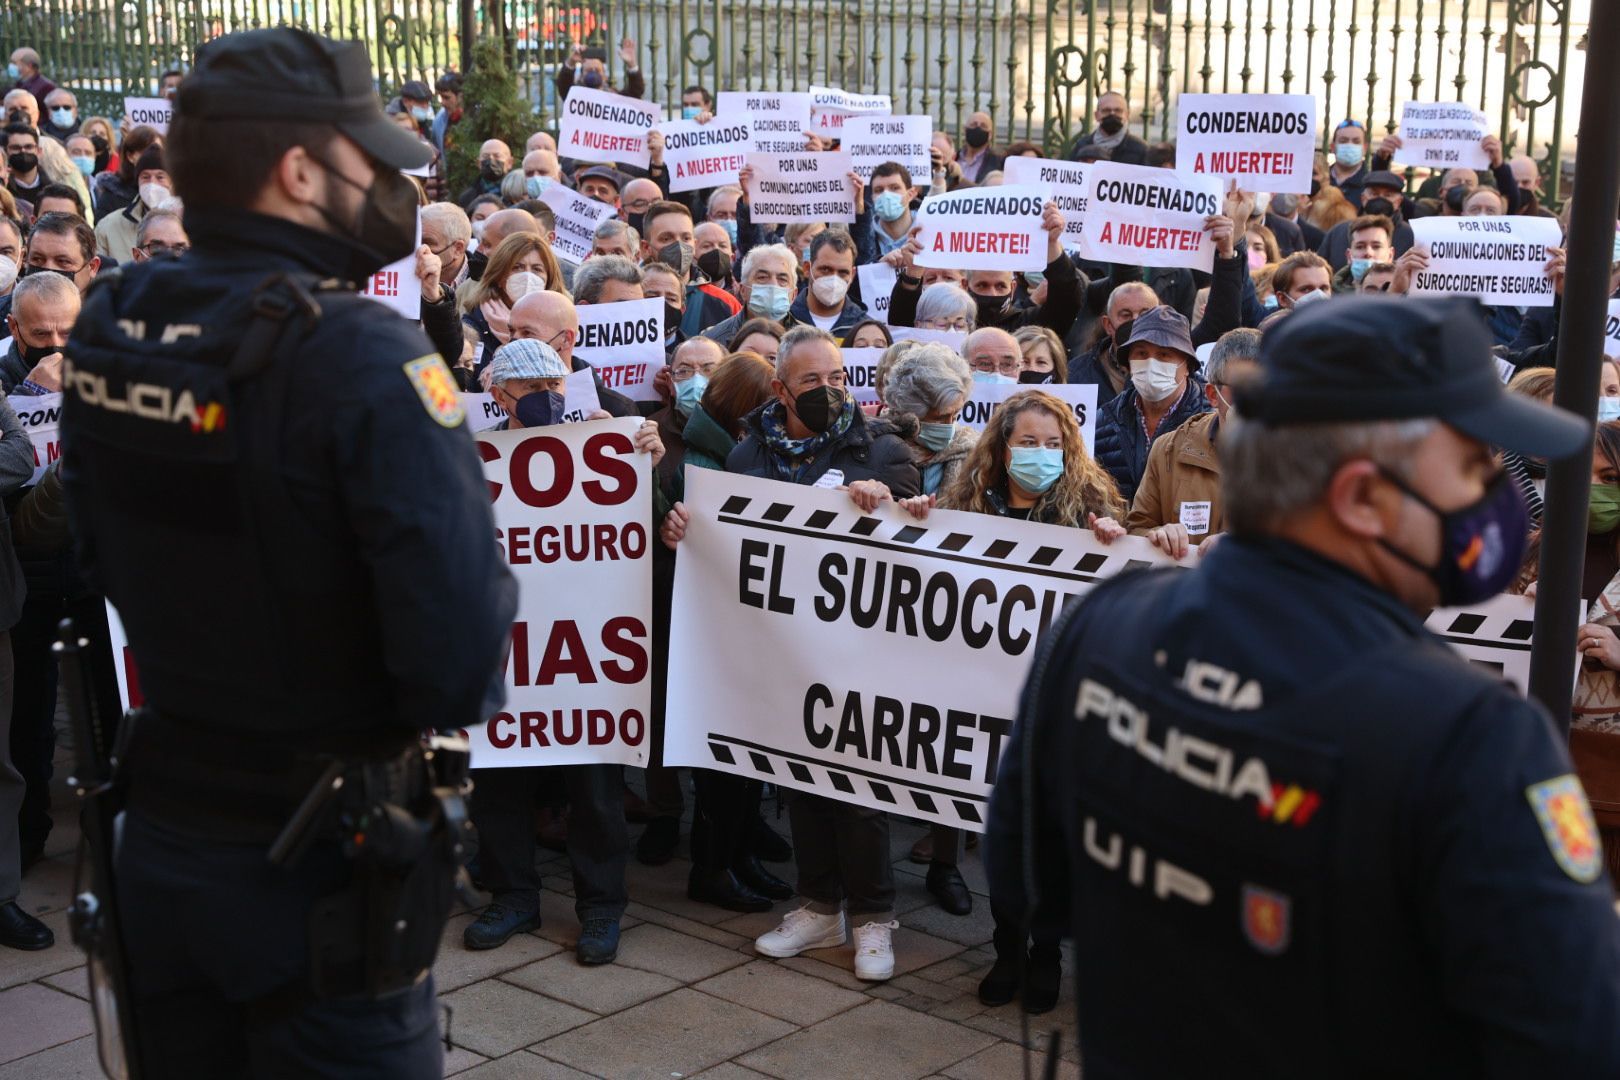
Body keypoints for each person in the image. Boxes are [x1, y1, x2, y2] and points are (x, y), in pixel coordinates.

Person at [990, 293, 1620, 1075]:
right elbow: (1576, 1043)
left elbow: (1029, 888)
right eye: (1468, 466)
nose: (1496, 495)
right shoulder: (1475, 738)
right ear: (1360, 498)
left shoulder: (1101, 625)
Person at [58, 28, 517, 1075]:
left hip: (165, 834)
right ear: (300, 172)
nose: (386, 182)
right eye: (366, 158)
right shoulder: (360, 354)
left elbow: (95, 556)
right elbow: (454, 658)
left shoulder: (115, 320)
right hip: (322, 867)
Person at [661, 326, 921, 980]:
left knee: (858, 792)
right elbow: (727, 545)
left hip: (860, 655)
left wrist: (889, 506)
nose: (829, 391)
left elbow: (922, 538)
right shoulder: (749, 457)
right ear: (779, 389)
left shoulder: (879, 451)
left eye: (837, 379)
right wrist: (685, 531)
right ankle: (818, 905)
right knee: (801, 778)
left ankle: (873, 918)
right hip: (782, 653)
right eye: (812, 382)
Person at [899, 387, 1125, 1010]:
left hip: (1055, 706)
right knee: (998, 829)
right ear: (1001, 450)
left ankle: (1045, 954)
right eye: (1028, 443)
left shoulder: (1091, 509)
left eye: (1053, 445)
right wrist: (913, 516)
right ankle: (1006, 947)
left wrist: (1115, 538)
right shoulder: (963, 506)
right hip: (981, 700)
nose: (1041, 455)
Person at [465, 335, 662, 961]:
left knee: (596, 785)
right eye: (533, 392)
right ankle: (513, 898)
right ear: (498, 395)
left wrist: (643, 464)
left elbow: (645, 527)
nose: (549, 400)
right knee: (496, 778)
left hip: (583, 651)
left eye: (556, 388)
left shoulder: (604, 440)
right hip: (504, 644)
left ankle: (601, 908)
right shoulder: (467, 450)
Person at [649, 350, 791, 905]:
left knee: (740, 754)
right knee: (720, 760)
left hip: (730, 625)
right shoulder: (705, 464)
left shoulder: (722, 452)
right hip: (706, 628)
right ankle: (713, 868)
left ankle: (735, 856)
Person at [878, 344, 980, 916]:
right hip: (882, 614)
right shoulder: (872, 446)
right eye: (936, 418)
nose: (949, 428)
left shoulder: (979, 454)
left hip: (948, 618)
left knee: (946, 744)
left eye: (954, 413)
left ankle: (946, 863)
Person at [1126, 327, 1260, 555]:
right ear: (1212, 395)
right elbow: (1137, 529)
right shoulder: (1169, 450)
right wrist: (1158, 535)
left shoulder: (1298, 457)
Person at [1092, 305, 1212, 503]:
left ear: (1187, 366)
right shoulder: (1104, 420)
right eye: (1141, 353)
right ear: (1128, 361)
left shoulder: (1211, 423)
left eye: (1164, 354)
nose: (1150, 363)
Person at [461, 231, 562, 372]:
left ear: (549, 279)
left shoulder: (562, 329)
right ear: (499, 276)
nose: (527, 276)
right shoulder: (471, 328)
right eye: (517, 267)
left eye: (537, 269)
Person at [703, 243, 799, 343]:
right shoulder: (714, 340)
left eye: (782, 279)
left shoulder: (808, 341)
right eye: (762, 277)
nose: (773, 285)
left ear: (794, 295)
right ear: (743, 290)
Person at [94, 143, 170, 264]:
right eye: (145, 177)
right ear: (137, 181)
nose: (152, 183)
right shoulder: (109, 226)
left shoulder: (190, 223)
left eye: (160, 177)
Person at [91, 123, 159, 218]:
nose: (153, 156)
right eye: (146, 151)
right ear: (130, 156)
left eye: (159, 151)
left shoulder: (173, 195)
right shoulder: (111, 197)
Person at [21, 210, 100, 292]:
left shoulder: (109, 304)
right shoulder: (8, 304)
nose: (48, 270)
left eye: (63, 261)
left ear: (92, 267)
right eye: (37, 259)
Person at [1066, 90, 1147, 164]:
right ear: (1097, 115)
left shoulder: (1141, 149)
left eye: (1118, 111)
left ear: (1127, 115)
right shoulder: (1082, 145)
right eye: (1106, 111)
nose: (1112, 114)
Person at [557, 38, 645, 102]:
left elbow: (635, 93)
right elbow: (564, 85)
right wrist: (571, 61)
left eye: (597, 70)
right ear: (581, 76)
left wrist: (632, 64)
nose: (593, 73)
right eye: (589, 70)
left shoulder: (614, 97)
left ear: (604, 77)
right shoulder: (574, 97)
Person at [421, 200, 472, 290]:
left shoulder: (486, 286)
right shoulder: (403, 277)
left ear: (458, 249)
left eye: (428, 243)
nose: (419, 249)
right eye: (415, 241)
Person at [1326, 118, 1370, 207]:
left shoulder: (1370, 185)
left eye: (1356, 142)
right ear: (1333, 147)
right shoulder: (1319, 180)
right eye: (1343, 141)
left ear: (1364, 148)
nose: (1350, 145)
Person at [458, 138, 512, 208]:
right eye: (486, 156)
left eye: (497, 156)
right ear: (478, 163)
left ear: (510, 163)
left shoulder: (520, 194)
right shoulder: (467, 198)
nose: (491, 160)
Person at [958, 112, 1003, 184]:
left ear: (990, 135)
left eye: (983, 126)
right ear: (965, 130)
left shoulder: (998, 162)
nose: (978, 128)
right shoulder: (954, 158)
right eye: (973, 125)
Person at [7, 50, 54, 114]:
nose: (10, 66)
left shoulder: (46, 87)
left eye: (14, 63)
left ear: (29, 66)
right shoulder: (18, 84)